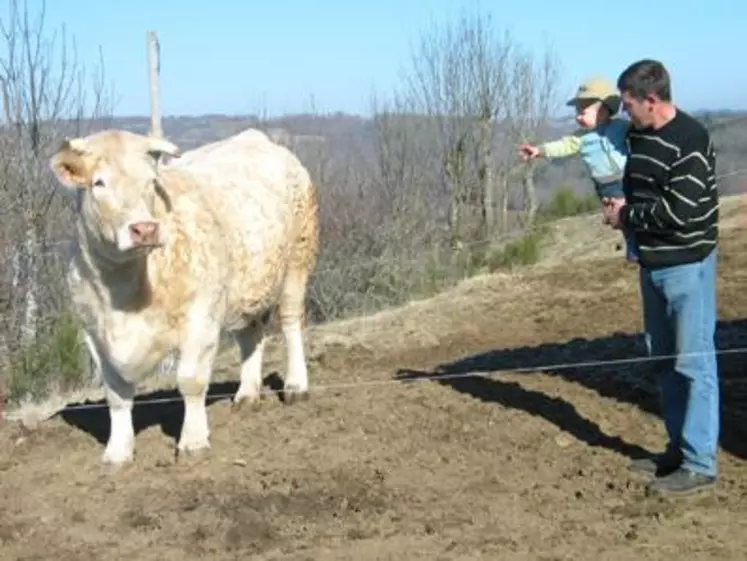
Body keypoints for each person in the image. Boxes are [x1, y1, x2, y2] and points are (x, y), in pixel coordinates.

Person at [602, 59, 720, 496]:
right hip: (653, 264)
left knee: (694, 362)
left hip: (686, 264)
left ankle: (700, 462)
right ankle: (678, 448)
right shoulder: (639, 134)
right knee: (664, 360)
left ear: (651, 101)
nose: (624, 112)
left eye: (629, 104)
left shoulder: (689, 140)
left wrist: (625, 216)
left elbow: (681, 212)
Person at [519, 76, 638, 263]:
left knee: (637, 213)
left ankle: (643, 247)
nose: (578, 117)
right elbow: (562, 146)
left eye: (583, 112)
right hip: (607, 186)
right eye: (577, 112)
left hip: (629, 178)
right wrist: (539, 150)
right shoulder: (580, 138)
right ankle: (634, 252)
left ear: (604, 111)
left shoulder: (621, 126)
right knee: (622, 219)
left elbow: (639, 129)